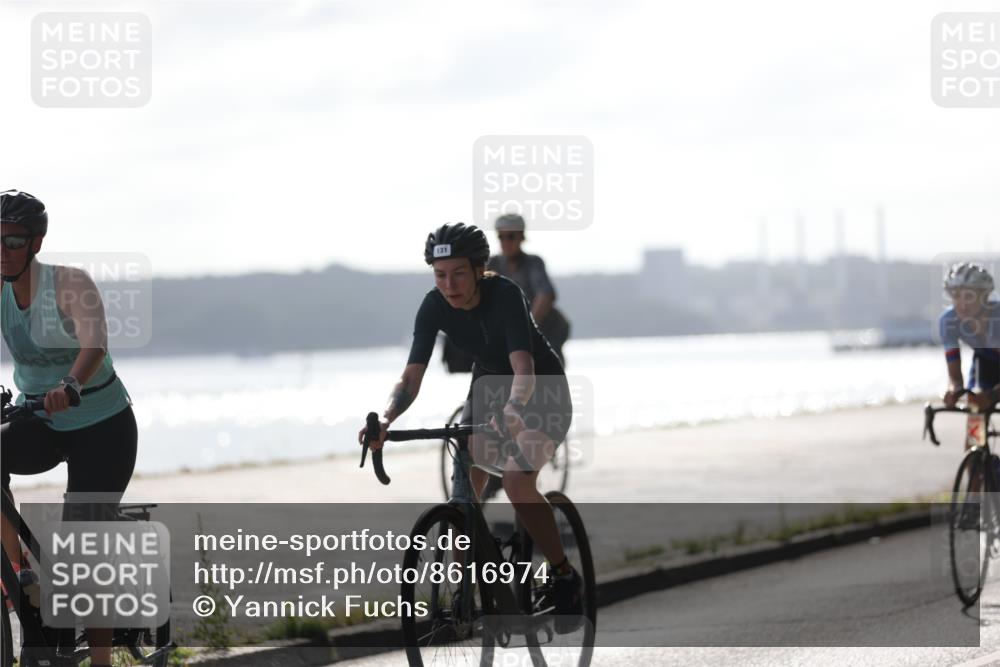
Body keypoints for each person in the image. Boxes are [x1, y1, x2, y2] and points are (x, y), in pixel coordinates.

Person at [358, 222, 582, 632]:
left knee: (516, 482)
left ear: (480, 268)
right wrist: (387, 418)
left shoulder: (506, 295)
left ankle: (564, 572)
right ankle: (465, 598)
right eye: (440, 275)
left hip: (541, 390)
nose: (449, 284)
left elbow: (523, 366)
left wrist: (516, 405)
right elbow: (410, 377)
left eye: (458, 273)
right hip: (488, 386)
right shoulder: (433, 305)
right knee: (465, 486)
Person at [1, 190, 136, 667]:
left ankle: (99, 661)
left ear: (36, 243)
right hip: (37, 419)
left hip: (101, 422)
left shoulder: (68, 284)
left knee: (84, 544)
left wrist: (70, 383)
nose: (2, 251)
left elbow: (94, 340)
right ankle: (23, 578)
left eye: (12, 241)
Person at [487, 213, 570, 365]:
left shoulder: (533, 263)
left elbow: (546, 294)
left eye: (511, 236)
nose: (505, 242)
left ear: (521, 237)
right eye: (501, 237)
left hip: (546, 333)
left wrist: (527, 328)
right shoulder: (493, 264)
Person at [940, 262, 1000, 412]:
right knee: (974, 401)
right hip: (985, 362)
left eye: (969, 296)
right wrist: (953, 391)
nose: (962, 304)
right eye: (955, 296)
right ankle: (977, 435)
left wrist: (992, 396)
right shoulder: (949, 321)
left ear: (985, 297)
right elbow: (955, 377)